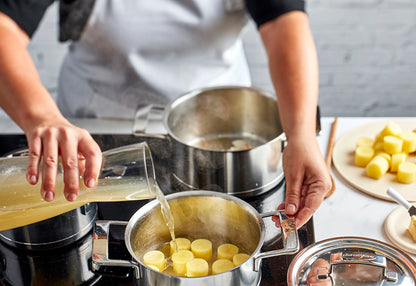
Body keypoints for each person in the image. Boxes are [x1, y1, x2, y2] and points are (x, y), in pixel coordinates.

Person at [0, 0, 331, 228]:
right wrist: (43, 117)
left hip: (219, 130)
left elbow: (284, 25)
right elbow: (5, 28)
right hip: (94, 132)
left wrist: (301, 136)